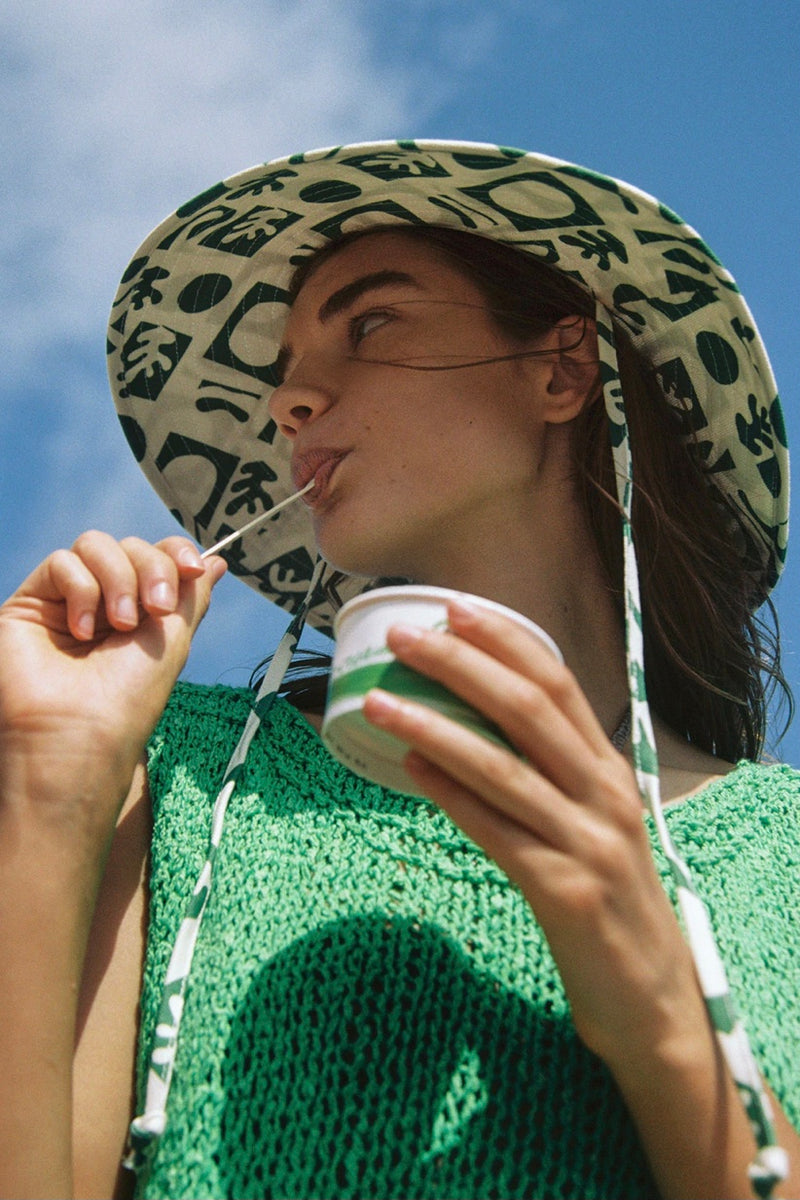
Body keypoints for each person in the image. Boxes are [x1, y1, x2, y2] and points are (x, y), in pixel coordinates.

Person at [0, 140, 798, 1200]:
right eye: (283, 371)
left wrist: (656, 1000)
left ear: (559, 371)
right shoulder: (173, 774)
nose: (291, 400)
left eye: (369, 323)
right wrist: (48, 778)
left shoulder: (781, 853)